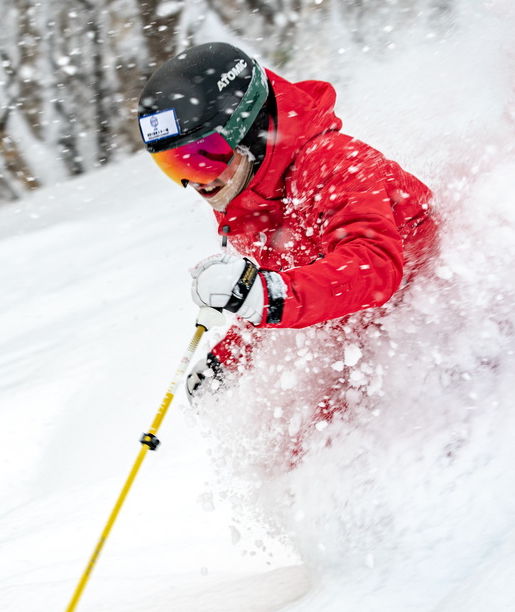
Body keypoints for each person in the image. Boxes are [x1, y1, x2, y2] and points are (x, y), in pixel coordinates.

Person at [136, 42, 436, 408]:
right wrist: (228, 358)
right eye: (175, 166)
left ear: (245, 129)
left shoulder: (332, 162)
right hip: (365, 335)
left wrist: (267, 296)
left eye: (202, 159)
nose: (195, 182)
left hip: (433, 324)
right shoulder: (242, 194)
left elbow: (374, 264)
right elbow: (278, 276)